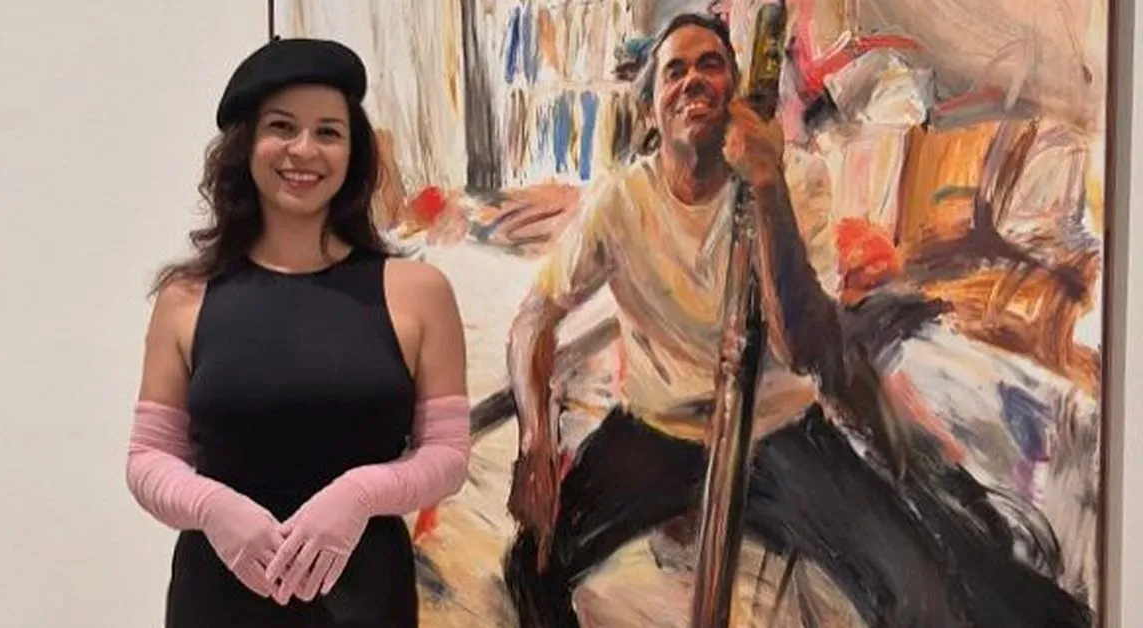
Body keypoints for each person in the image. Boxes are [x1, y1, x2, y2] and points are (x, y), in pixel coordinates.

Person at [502, 13, 1093, 628]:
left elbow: (802, 344)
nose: (692, 81)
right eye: (674, 71)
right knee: (531, 566)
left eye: (710, 65)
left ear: (736, 94)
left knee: (916, 589)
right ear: (651, 107)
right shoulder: (621, 201)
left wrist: (766, 185)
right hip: (657, 430)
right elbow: (532, 321)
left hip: (776, 431)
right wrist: (536, 439)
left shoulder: (794, 178)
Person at [124, 38, 471, 628]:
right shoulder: (187, 297)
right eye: (282, 127)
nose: (304, 150)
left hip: (364, 600)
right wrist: (213, 507)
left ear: (354, 153)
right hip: (216, 599)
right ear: (246, 145)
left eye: (328, 132)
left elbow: (448, 454)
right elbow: (148, 458)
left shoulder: (416, 291)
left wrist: (361, 493)